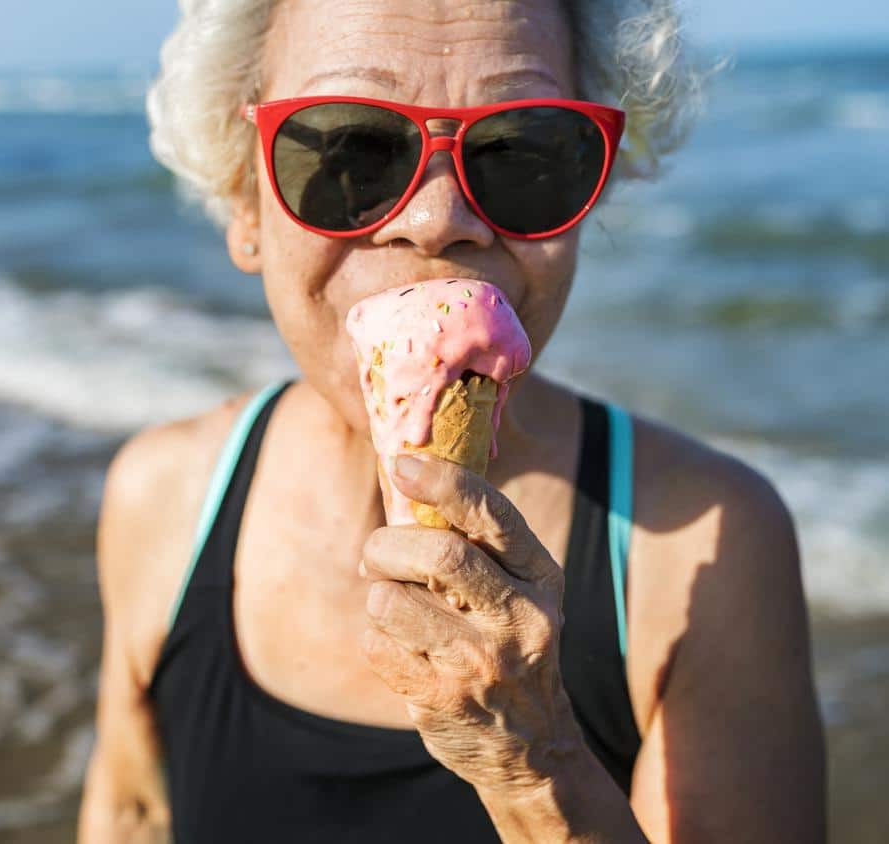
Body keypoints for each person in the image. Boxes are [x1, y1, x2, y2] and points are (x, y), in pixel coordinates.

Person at [78, 1, 827, 841]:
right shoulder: (164, 498)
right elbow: (132, 809)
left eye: (522, 151)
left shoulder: (708, 547)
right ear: (244, 199)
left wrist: (535, 767)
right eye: (351, 149)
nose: (439, 220)